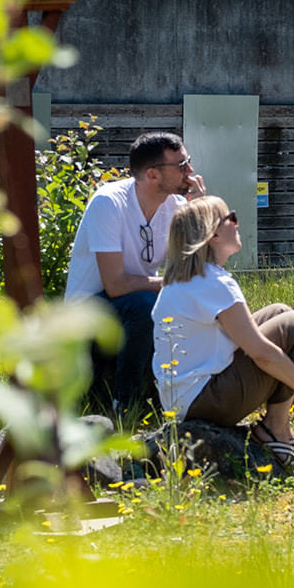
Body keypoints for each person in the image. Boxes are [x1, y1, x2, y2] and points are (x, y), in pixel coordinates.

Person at [152, 198, 294, 468]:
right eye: (231, 217)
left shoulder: (188, 280)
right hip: (208, 402)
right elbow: (261, 353)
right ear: (213, 234)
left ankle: (275, 426)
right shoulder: (215, 282)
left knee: (279, 311)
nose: (237, 222)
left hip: (185, 399)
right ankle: (276, 431)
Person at [65, 132, 205, 406]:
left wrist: (199, 210)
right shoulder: (108, 203)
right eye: (181, 166)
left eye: (188, 162)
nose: (190, 172)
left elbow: (201, 267)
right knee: (146, 302)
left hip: (127, 308)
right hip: (87, 316)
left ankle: (182, 390)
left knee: (189, 296)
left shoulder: (176, 205)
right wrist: (169, 282)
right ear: (152, 175)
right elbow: (115, 285)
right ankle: (125, 402)